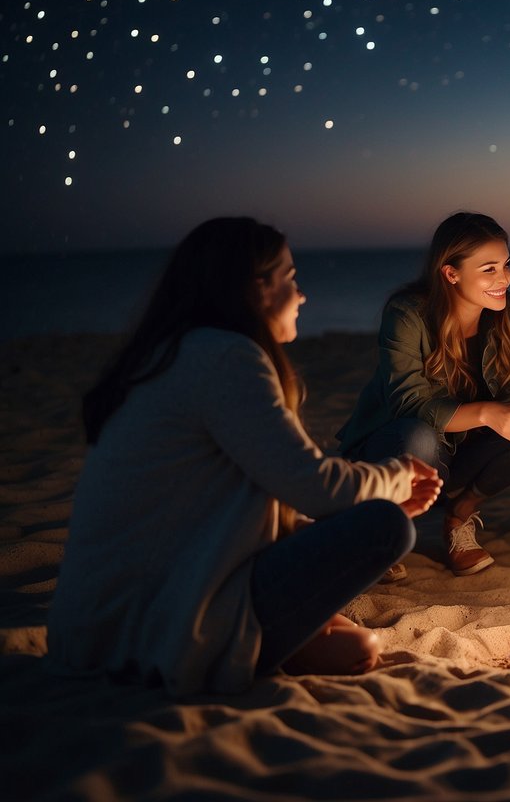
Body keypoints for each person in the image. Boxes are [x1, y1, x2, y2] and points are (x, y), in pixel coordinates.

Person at [48, 218, 442, 696]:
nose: (302, 295)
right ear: (257, 288)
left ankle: (285, 642)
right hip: (150, 629)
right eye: (290, 279)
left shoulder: (175, 354)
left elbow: (268, 505)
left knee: (356, 621)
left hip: (105, 625)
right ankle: (262, 648)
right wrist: (397, 477)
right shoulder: (225, 357)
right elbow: (315, 486)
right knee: (387, 528)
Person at [337, 212, 510, 577]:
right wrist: (488, 413)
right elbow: (411, 405)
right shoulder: (408, 314)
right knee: (419, 437)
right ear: (451, 273)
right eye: (489, 269)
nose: (504, 279)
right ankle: (379, 532)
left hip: (457, 453)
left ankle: (458, 518)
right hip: (395, 448)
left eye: (506, 264)